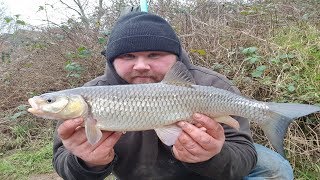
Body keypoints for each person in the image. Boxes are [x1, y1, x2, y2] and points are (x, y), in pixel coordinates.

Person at [53, 12, 294, 180]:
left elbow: (243, 155)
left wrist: (211, 156)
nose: (141, 66)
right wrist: (87, 162)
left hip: (207, 176)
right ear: (112, 60)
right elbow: (64, 164)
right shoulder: (89, 94)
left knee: (275, 167)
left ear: (175, 58)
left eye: (154, 54)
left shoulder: (209, 84)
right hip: (136, 175)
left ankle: (270, 118)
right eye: (127, 57)